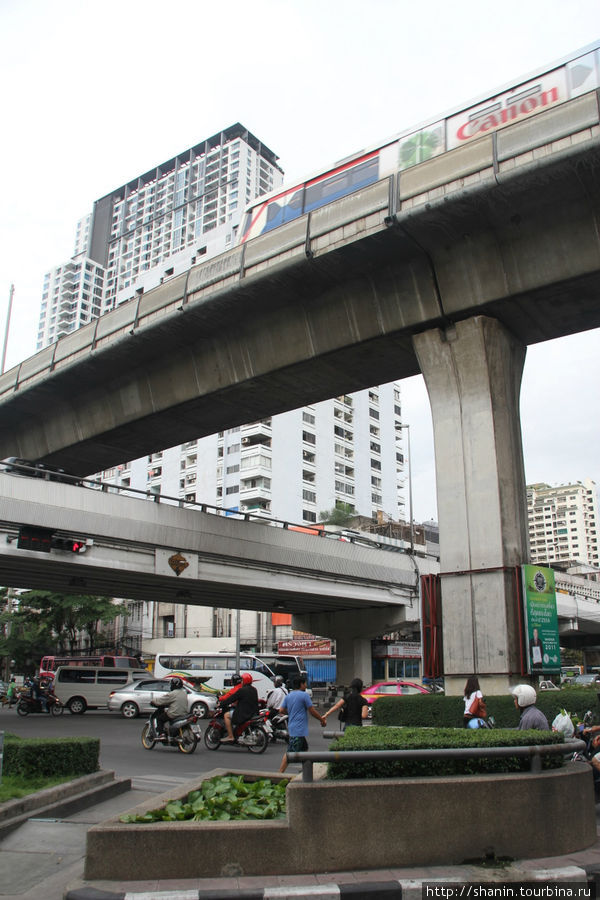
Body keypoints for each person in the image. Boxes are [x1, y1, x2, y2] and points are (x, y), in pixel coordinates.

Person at [279, 674, 326, 773]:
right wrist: (321, 720)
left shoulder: (289, 695)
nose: (306, 686)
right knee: (290, 753)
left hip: (293, 727)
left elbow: (281, 710)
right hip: (298, 729)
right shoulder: (304, 695)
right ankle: (280, 774)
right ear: (301, 684)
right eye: (305, 684)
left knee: (305, 749)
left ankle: (305, 770)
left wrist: (291, 713)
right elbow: (312, 711)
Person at [223, 672, 259, 742]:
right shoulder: (254, 689)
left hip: (244, 714)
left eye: (242, 680)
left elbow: (231, 699)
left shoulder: (242, 690)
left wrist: (222, 704)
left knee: (226, 715)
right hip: (253, 713)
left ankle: (230, 736)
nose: (241, 682)